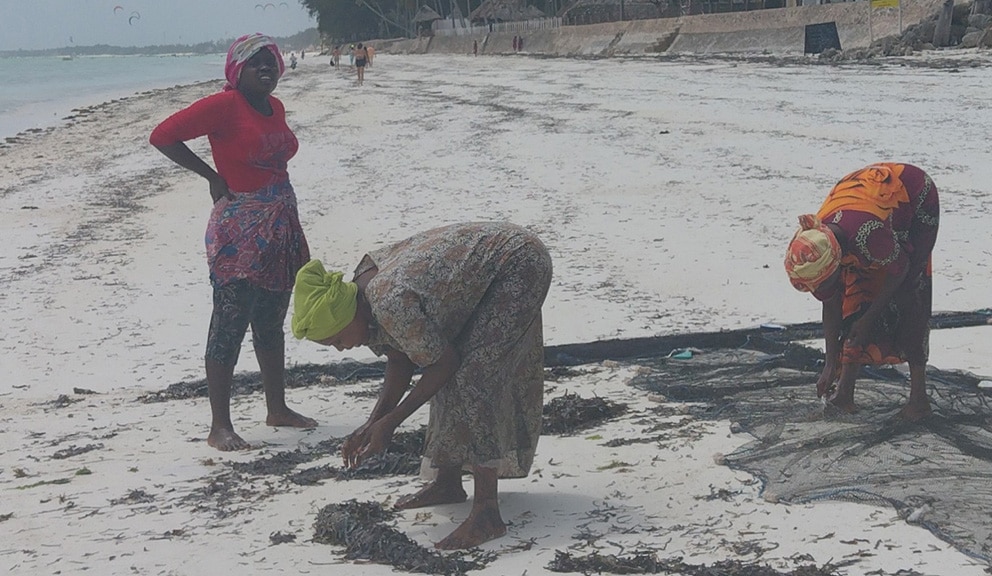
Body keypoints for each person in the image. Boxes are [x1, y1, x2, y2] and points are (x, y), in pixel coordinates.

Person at [292, 222, 552, 549]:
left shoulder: (388, 302)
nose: (341, 349)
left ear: (349, 317)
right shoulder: (359, 300)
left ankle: (487, 512)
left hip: (517, 262)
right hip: (481, 276)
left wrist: (391, 423)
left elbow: (444, 364)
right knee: (445, 360)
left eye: (338, 340)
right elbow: (401, 358)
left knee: (474, 375)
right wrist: (372, 423)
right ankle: (447, 483)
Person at [149, 33, 316, 451]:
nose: (267, 68)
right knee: (229, 321)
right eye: (255, 62)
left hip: (280, 223)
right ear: (236, 70)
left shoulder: (274, 106)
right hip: (239, 227)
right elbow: (163, 135)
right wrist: (211, 176)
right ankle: (219, 426)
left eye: (271, 61)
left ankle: (276, 408)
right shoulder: (225, 105)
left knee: (270, 320)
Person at [785, 163, 939, 422]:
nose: (821, 291)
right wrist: (829, 363)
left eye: (823, 283)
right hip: (864, 213)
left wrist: (868, 319)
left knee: (910, 294)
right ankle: (844, 396)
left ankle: (919, 401)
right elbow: (832, 303)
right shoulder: (815, 240)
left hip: (914, 195)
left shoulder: (869, 236)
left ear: (836, 262)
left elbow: (900, 269)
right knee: (854, 300)